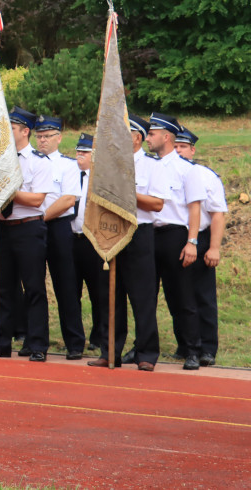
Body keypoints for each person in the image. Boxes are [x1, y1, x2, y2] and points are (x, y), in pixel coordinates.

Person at [0, 106, 54, 361]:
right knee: (2, 289)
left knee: (33, 288)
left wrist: (10, 191)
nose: (6, 132)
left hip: (28, 228)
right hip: (2, 229)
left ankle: (37, 344)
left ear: (25, 131)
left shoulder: (37, 161)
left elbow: (37, 199)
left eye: (11, 128)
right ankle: (2, 343)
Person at [90, 115, 164, 371]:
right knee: (109, 296)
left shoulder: (153, 167)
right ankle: (110, 351)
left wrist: (126, 192)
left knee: (142, 297)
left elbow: (157, 203)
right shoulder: (107, 165)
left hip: (138, 234)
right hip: (109, 232)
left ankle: (146, 353)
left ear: (137, 137)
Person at [147, 112, 207, 370]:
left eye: (152, 133)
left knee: (181, 295)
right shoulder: (149, 166)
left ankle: (192, 348)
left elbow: (195, 208)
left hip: (174, 235)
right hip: (149, 234)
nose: (147, 138)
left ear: (166, 136)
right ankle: (145, 347)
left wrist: (191, 241)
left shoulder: (186, 169)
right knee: (146, 296)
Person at [33, 115, 86, 359]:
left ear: (59, 138)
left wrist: (41, 219)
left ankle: (74, 342)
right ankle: (33, 341)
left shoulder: (68, 165)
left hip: (56, 227)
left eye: (47, 136)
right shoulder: (29, 162)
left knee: (66, 286)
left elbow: (68, 199)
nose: (42, 141)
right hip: (30, 228)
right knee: (32, 286)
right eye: (39, 136)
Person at [174, 127, 227, 366]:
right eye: (175, 146)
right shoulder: (166, 172)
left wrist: (213, 247)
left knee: (202, 296)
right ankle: (184, 344)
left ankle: (207, 349)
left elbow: (217, 214)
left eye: (182, 147)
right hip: (174, 238)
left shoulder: (205, 175)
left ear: (192, 150)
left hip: (201, 240)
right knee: (178, 296)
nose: (178, 150)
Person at [71, 134, 105, 350]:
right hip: (73, 239)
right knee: (72, 291)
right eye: (77, 152)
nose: (79, 156)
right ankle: (74, 337)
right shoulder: (72, 175)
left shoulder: (101, 180)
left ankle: (99, 336)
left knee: (98, 292)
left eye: (84, 152)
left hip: (94, 241)